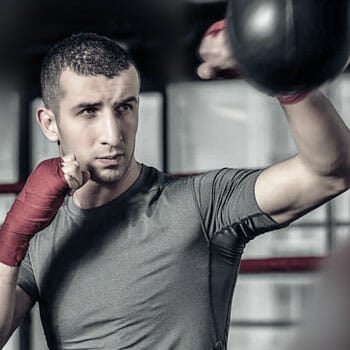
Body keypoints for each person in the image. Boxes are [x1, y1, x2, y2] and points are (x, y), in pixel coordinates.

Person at [0, 19, 350, 350]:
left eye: (124, 107)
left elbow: (329, 173)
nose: (112, 135)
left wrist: (281, 78)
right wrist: (12, 235)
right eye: (89, 111)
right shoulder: (40, 236)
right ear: (49, 123)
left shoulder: (200, 204)